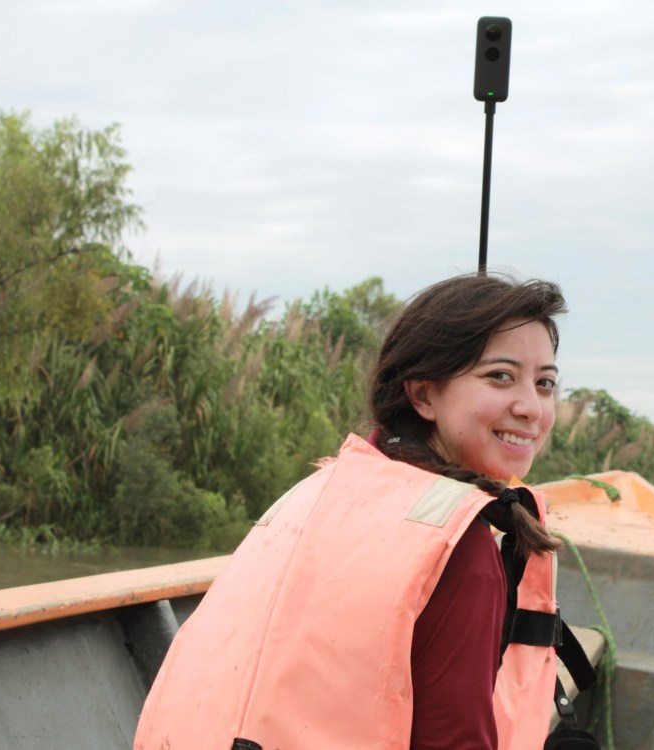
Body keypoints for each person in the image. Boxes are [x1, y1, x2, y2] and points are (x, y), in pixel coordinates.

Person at [134, 273, 568, 750]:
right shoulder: (459, 546)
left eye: (545, 383)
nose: (531, 407)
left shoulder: (316, 491)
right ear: (423, 395)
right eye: (499, 376)